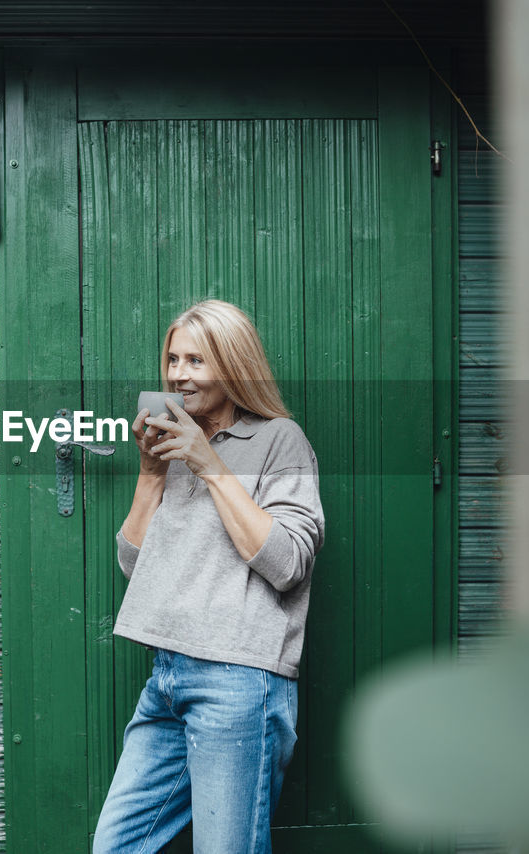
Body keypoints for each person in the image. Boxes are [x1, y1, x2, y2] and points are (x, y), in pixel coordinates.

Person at [93, 300, 325, 854]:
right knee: (116, 845)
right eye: (173, 360)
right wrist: (151, 476)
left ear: (233, 364)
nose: (178, 374)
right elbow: (134, 567)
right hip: (168, 676)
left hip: (239, 681)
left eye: (196, 361)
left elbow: (289, 564)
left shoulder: (279, 440)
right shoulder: (174, 445)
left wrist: (210, 465)